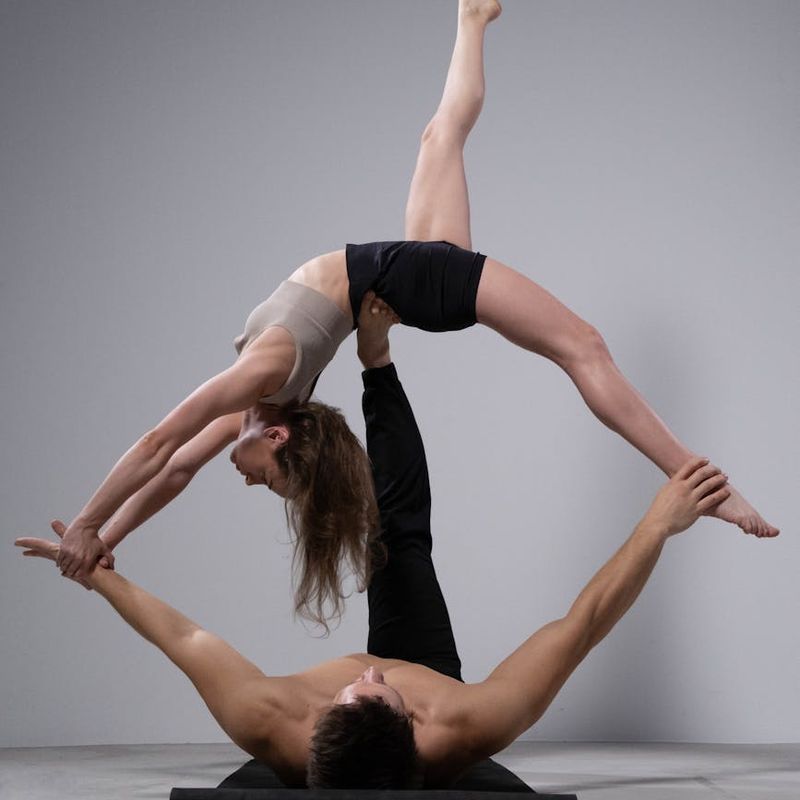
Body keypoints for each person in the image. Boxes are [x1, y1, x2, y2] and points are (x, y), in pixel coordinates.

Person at [51, 0, 777, 627]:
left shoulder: (264, 376)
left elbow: (161, 451)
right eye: (269, 481)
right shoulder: (265, 396)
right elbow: (174, 466)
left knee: (569, 327)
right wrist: (102, 538)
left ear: (273, 437)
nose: (249, 483)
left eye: (267, 479)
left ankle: (473, 15)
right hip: (401, 282)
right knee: (576, 339)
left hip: (405, 276)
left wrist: (93, 528)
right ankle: (707, 484)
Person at [17, 308, 742, 789]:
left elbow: (184, 637)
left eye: (351, 691)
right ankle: (379, 363)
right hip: (431, 661)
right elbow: (579, 626)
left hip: (336, 731)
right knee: (400, 536)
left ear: (323, 720)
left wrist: (96, 576)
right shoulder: (465, 725)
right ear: (411, 724)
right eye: (381, 693)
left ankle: (324, 438)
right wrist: (658, 524)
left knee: (364, 525)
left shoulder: (268, 720)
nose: (367, 673)